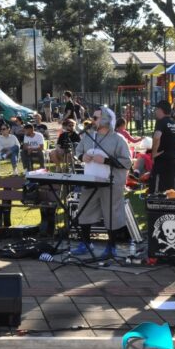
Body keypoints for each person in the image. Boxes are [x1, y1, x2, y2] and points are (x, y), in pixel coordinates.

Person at [72, 107, 131, 257]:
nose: (92, 120)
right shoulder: (88, 136)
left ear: (106, 119)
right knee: (84, 211)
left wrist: (106, 160)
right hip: (90, 182)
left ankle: (111, 247)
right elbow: (77, 152)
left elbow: (127, 162)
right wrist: (82, 157)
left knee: (111, 214)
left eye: (96, 117)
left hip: (111, 183)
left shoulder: (118, 139)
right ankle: (86, 244)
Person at [149, 100, 175, 193]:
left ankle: (156, 200)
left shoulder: (161, 122)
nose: (155, 112)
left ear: (160, 110)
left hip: (161, 159)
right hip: (173, 159)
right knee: (169, 187)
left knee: (157, 188)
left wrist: (154, 153)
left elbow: (157, 137)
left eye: (156, 109)